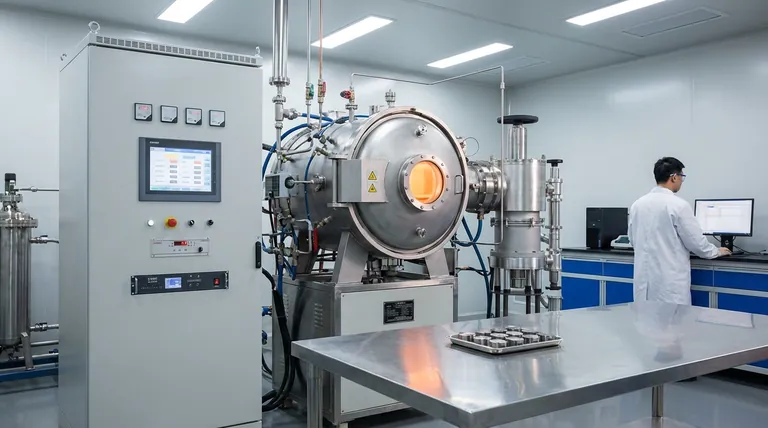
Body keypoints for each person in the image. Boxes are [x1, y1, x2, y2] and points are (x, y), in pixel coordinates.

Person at [629, 157, 731, 305]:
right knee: (674, 319)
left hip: (643, 284)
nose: (682, 181)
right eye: (682, 176)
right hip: (669, 286)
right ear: (674, 177)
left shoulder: (637, 205)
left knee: (646, 317)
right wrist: (716, 251)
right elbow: (696, 243)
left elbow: (633, 240)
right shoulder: (678, 205)